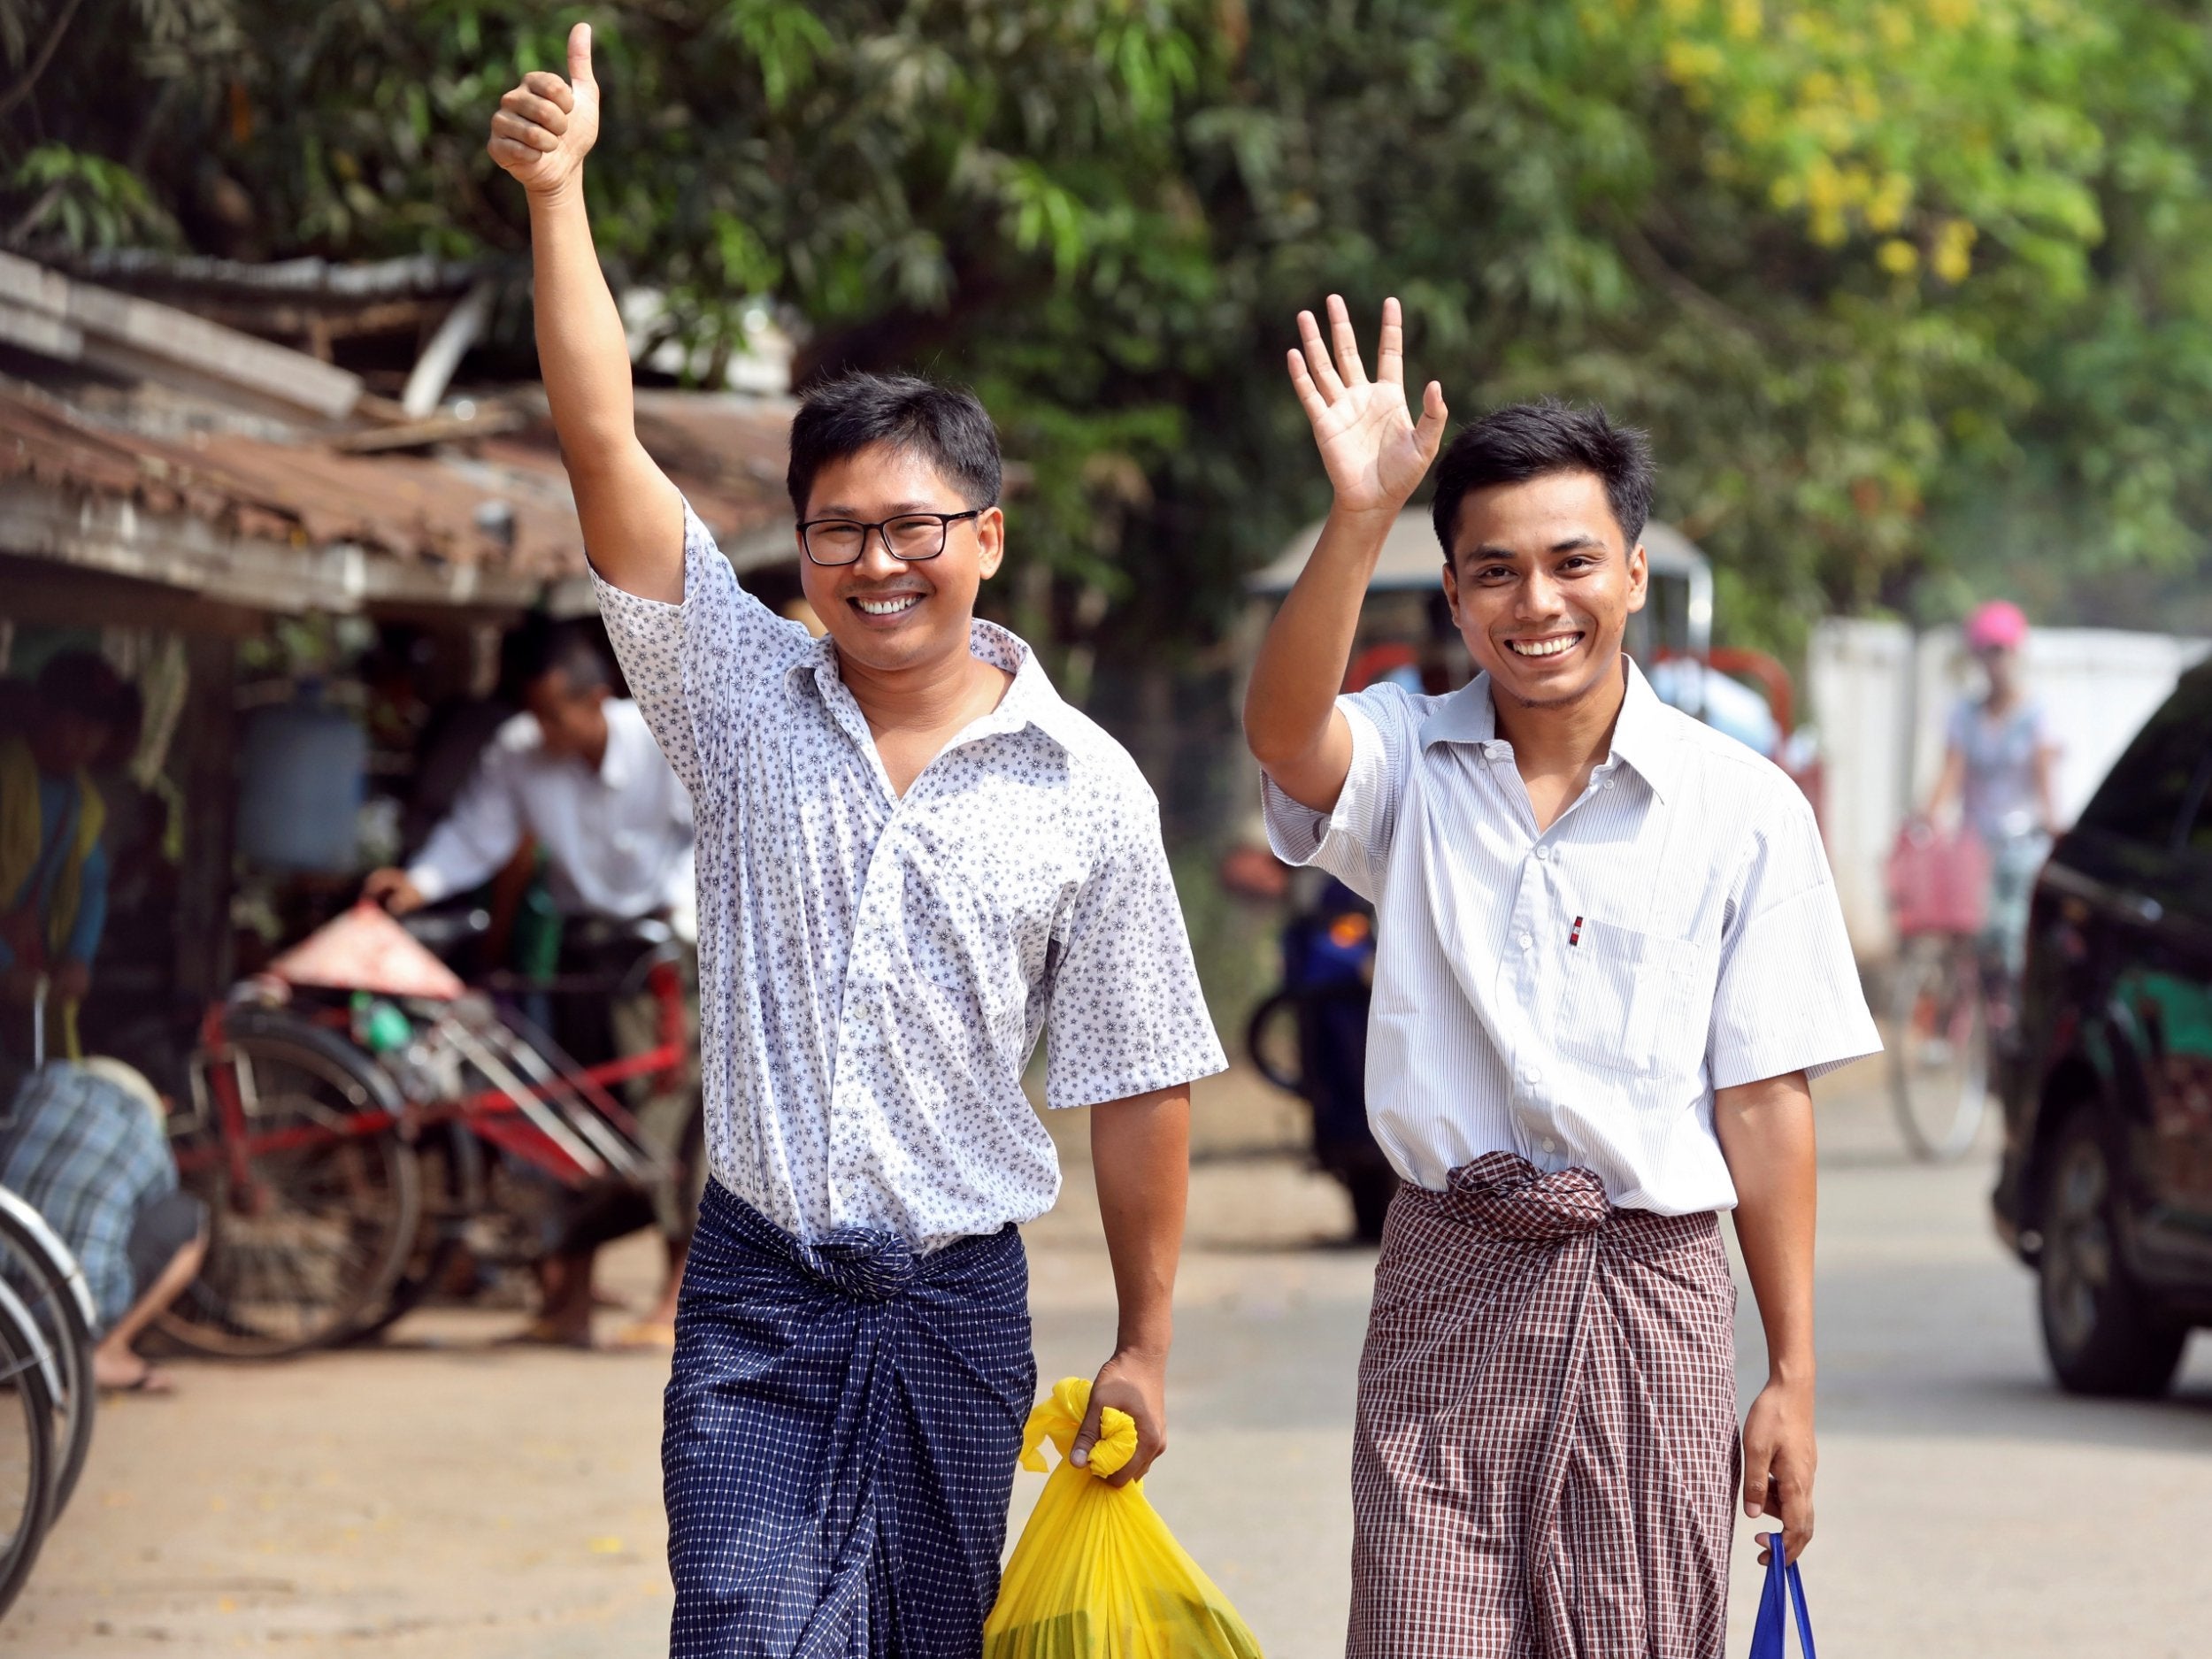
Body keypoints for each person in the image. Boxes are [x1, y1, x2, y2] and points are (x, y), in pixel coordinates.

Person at [486, 26, 1225, 1656]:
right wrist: (560, 196)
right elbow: (604, 442)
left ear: (988, 539)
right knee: (746, 1632)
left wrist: (1145, 1344)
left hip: (960, 1309)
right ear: (799, 547)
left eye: (915, 529)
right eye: (840, 532)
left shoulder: (1087, 790)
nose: (878, 563)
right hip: (755, 1300)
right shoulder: (736, 691)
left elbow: (1139, 1077)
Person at [1244, 297, 1879, 1655]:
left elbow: (1767, 1104)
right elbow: (1285, 733)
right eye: (1494, 571)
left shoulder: (1743, 807)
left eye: (1572, 561)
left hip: (1649, 1296)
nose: (1537, 602)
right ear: (1455, 592)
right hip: (1446, 1277)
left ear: (1634, 575)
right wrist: (1360, 513)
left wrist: (1794, 1379)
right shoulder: (1407, 760)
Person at [364, 624, 702, 1348]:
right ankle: (567, 1305)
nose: (543, 729)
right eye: (535, 712)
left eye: (556, 713)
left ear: (596, 699)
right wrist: (418, 883)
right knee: (572, 1116)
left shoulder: (659, 740)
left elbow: (708, 832)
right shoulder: (519, 751)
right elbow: (475, 834)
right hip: (580, 949)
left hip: (663, 952)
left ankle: (674, 1302)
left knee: (665, 1124)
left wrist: (682, 920)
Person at [1, 1050, 206, 1394]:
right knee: (189, 1217)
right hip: (72, 1311)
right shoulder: (147, 1136)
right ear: (161, 1103)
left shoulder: (39, 1086)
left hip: (4, 1296)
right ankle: (106, 1352)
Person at [0, 650, 142, 1065]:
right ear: (44, 712)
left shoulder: (82, 801)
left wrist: (79, 956)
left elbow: (92, 882)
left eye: (99, 726)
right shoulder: (6, 776)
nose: (89, 738)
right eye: (78, 722)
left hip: (25, 979)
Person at [1923, 599, 2059, 996]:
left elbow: (2045, 778)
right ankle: (1958, 1023)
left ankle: (2012, 1020)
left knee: (2014, 937)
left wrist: (2056, 829)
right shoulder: (1965, 714)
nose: (1994, 661)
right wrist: (1928, 820)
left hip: (2022, 845)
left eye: (2002, 650)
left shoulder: (2037, 715)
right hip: (1975, 841)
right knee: (1968, 937)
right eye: (1987, 651)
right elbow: (1950, 772)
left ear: (2017, 652)